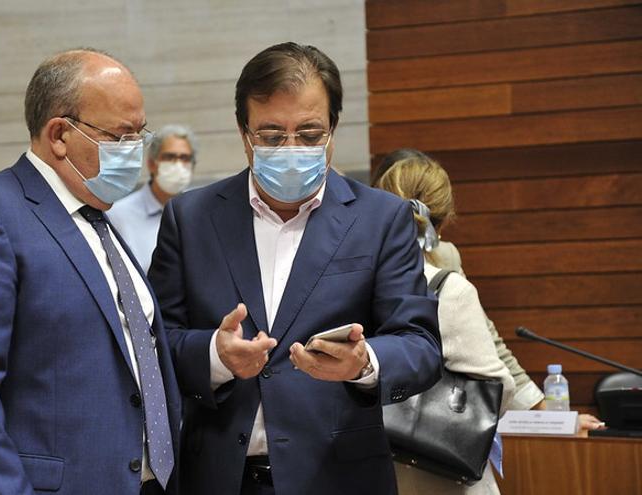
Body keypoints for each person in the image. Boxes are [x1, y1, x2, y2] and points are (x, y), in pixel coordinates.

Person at [147, 42, 442, 495]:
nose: (291, 149)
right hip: (218, 477)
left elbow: (420, 345)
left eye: (308, 134)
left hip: (339, 477)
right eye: (271, 135)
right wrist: (214, 355)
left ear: (333, 130)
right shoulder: (191, 218)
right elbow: (155, 342)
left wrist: (364, 363)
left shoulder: (381, 219)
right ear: (244, 133)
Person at [0, 49, 181, 495]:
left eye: (141, 133)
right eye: (122, 135)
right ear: (59, 134)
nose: (136, 150)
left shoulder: (99, 222)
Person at [373, 148, 607, 433]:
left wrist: (547, 415)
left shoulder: (445, 261)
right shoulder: (357, 262)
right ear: (444, 219)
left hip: (427, 428)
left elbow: (485, 340)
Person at [372, 149, 515, 494]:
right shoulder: (448, 289)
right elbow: (499, 388)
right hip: (444, 477)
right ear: (445, 220)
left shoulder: (350, 287)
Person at [108, 124, 198, 272]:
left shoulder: (201, 209)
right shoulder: (118, 215)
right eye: (170, 157)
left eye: (185, 158)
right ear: (151, 164)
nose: (178, 165)